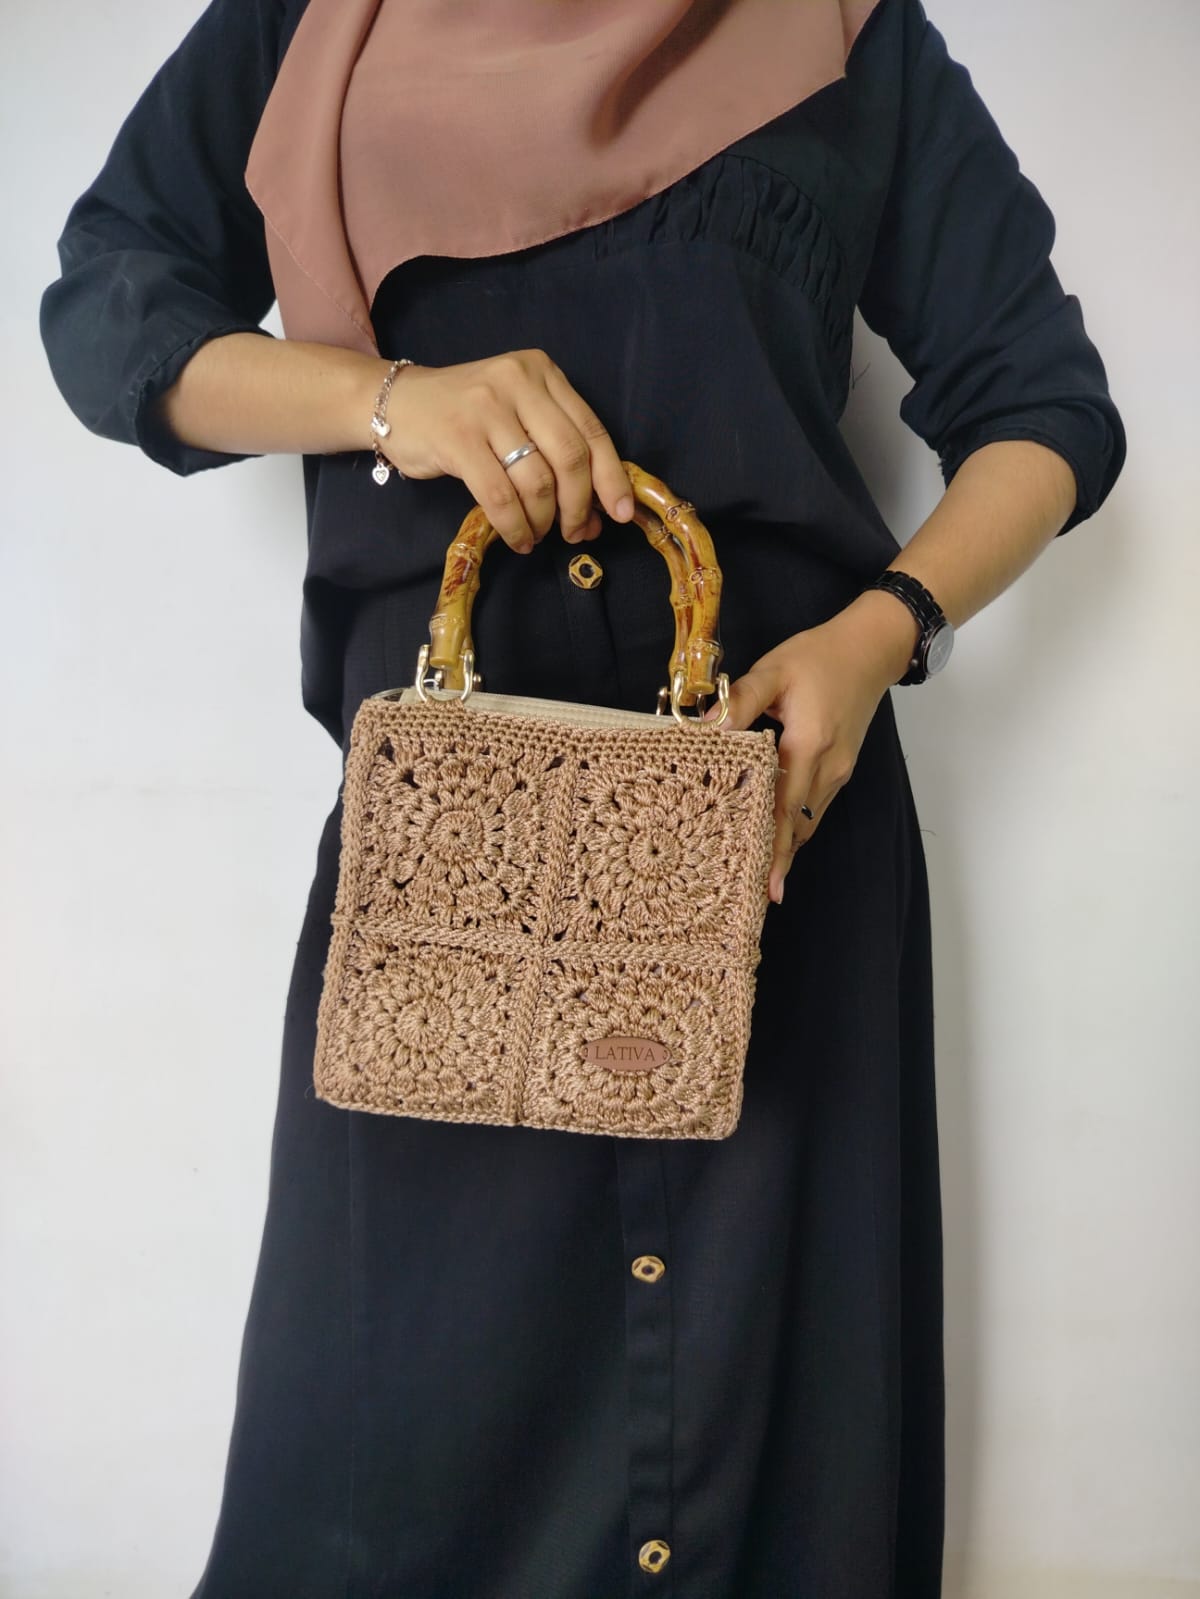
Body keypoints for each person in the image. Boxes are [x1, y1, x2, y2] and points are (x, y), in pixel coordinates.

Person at [39, 0, 1125, 1593]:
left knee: (767, 1468)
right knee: (383, 1451)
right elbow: (109, 310)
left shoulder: (844, 29)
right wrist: (389, 398)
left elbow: (1045, 404)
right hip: (448, 866)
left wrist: (882, 633)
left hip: (769, 831)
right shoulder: (309, 18)